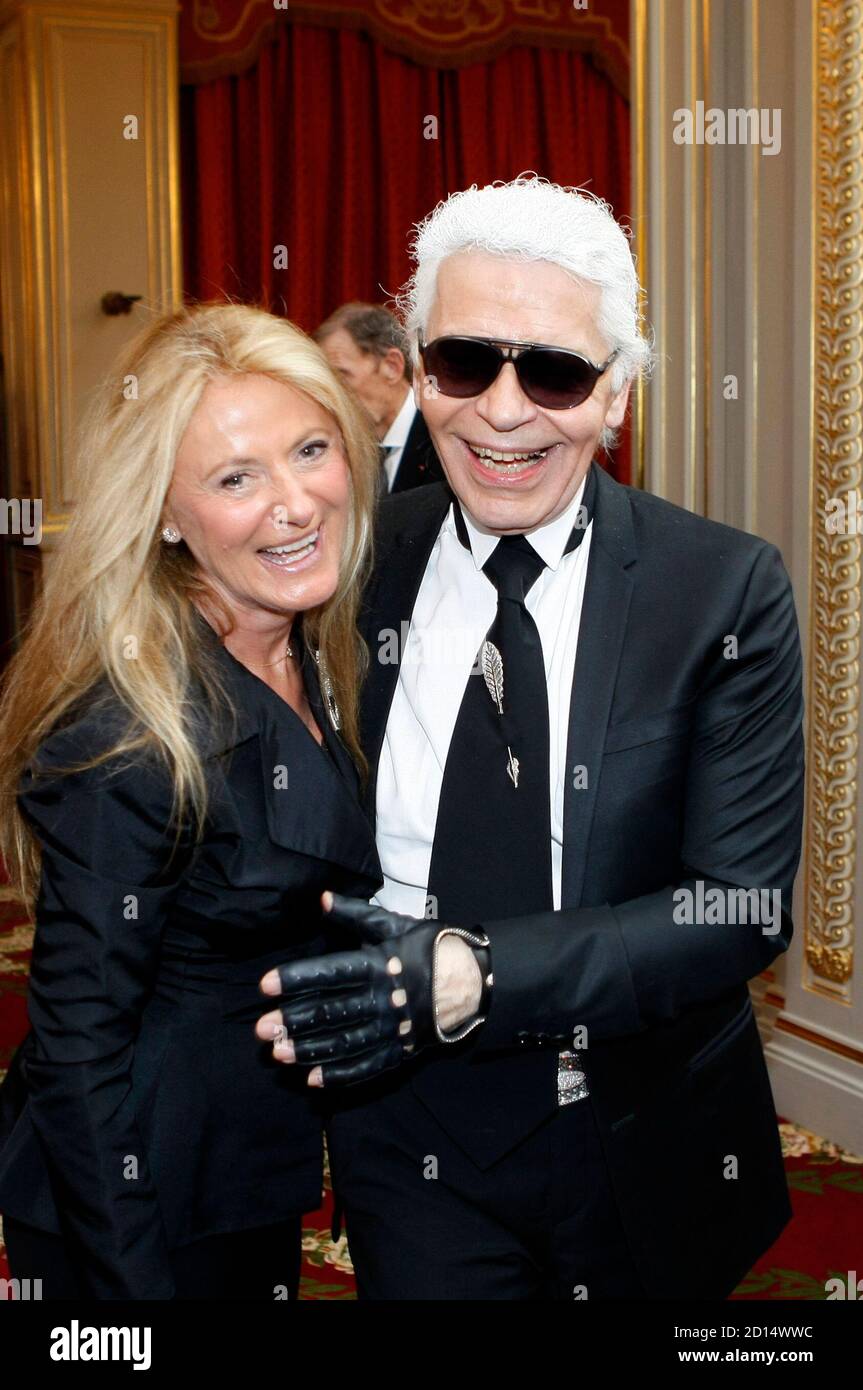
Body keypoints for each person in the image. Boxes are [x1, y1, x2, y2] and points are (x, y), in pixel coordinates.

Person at [257, 176, 806, 1301]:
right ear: (417, 369)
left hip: (638, 1129)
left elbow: (741, 905)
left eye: (552, 372)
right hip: (406, 1139)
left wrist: (476, 972)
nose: (502, 412)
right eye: (464, 362)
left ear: (613, 398)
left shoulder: (721, 589)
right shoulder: (344, 566)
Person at [0, 302, 382, 1299]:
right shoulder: (125, 733)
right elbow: (76, 1057)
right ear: (166, 515)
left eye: (311, 448)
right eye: (234, 478)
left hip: (243, 1163)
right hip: (135, 1205)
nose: (294, 503)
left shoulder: (312, 642)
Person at [315, 302, 444, 494]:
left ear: (392, 366)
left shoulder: (440, 439)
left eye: (341, 376)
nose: (331, 394)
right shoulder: (342, 450)